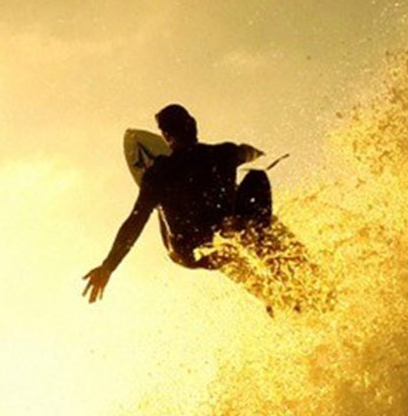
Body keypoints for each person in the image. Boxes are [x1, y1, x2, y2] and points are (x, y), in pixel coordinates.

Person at [83, 104, 269, 303]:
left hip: (192, 250)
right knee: (257, 178)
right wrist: (258, 153)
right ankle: (264, 245)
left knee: (222, 249)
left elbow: (135, 222)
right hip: (208, 239)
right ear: (193, 124)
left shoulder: (158, 174)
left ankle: (268, 290)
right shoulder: (224, 153)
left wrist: (108, 266)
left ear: (166, 136)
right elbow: (247, 152)